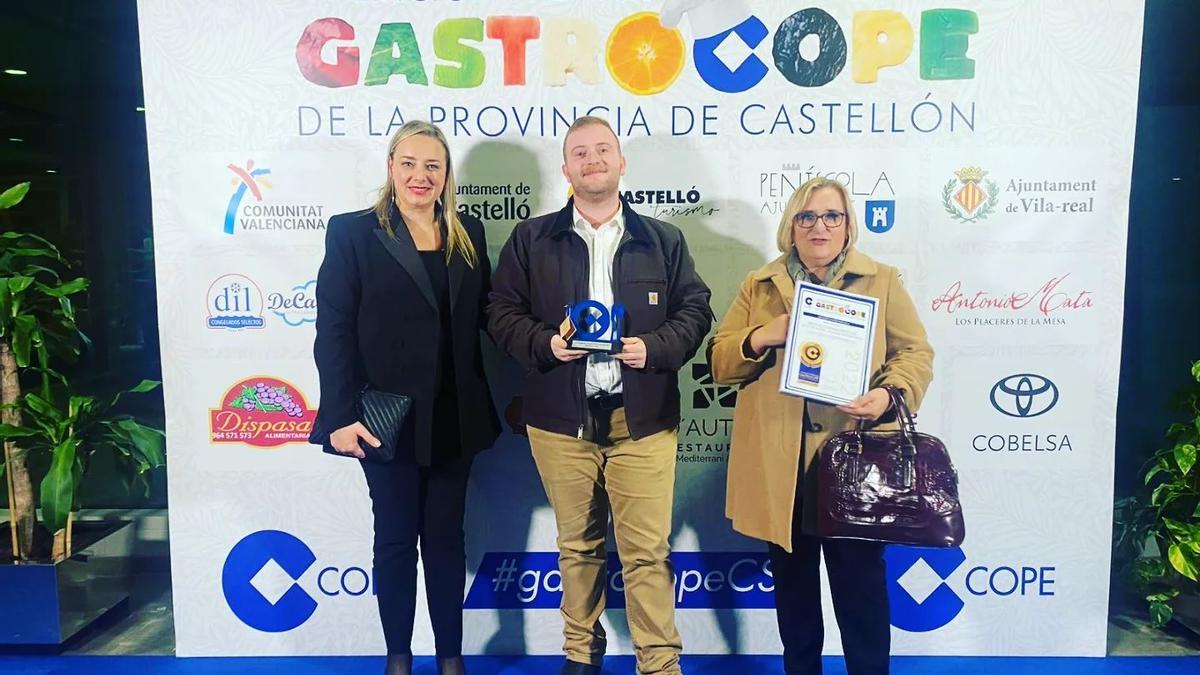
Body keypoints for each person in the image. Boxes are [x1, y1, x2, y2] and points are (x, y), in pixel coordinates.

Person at [486, 116, 712, 675]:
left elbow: (696, 310)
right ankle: (580, 657)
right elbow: (499, 312)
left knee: (645, 554)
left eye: (602, 149)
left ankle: (659, 665)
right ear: (565, 168)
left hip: (643, 421)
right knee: (578, 548)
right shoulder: (531, 238)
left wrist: (654, 348)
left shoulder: (663, 239)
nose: (592, 159)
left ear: (621, 162)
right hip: (561, 422)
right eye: (579, 152)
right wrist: (544, 343)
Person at [707, 177, 934, 675]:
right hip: (781, 466)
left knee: (861, 592)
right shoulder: (759, 285)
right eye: (807, 217)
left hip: (854, 462)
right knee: (794, 595)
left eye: (832, 216)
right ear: (791, 226)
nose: (819, 226)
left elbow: (915, 354)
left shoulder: (882, 280)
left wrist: (889, 396)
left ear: (849, 225)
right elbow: (722, 364)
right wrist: (764, 335)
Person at [311, 120, 500, 675]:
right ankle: (398, 658)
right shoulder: (353, 232)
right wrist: (339, 416)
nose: (421, 176)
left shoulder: (471, 235)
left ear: (446, 175)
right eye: (410, 164)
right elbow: (333, 330)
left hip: (456, 418)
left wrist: (551, 337)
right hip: (384, 421)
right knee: (394, 541)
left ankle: (450, 658)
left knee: (446, 542)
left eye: (433, 166)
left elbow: (492, 316)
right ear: (391, 168)